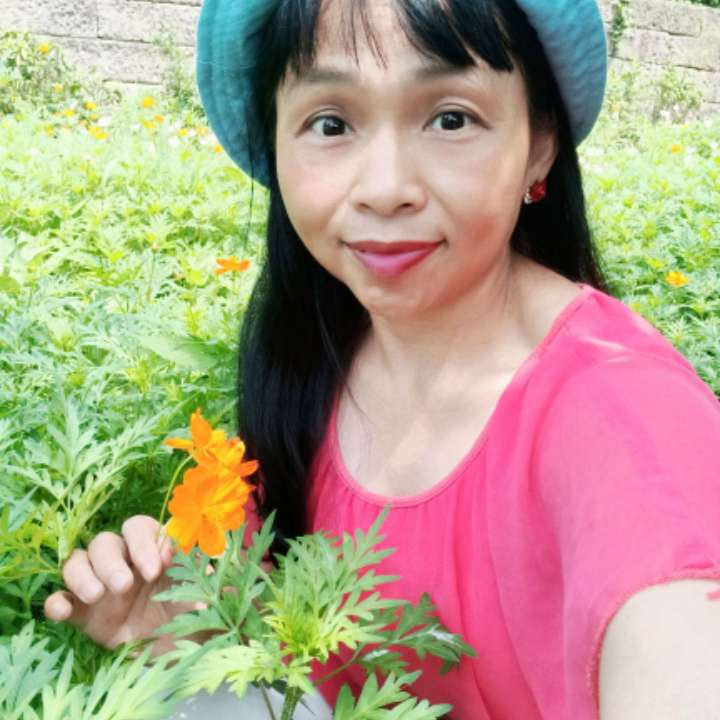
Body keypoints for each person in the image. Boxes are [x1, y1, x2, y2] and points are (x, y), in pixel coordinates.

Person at [44, 0, 720, 718]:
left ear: (540, 143)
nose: (385, 188)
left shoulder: (625, 412)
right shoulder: (311, 365)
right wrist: (197, 638)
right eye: (331, 124)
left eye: (451, 118)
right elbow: (294, 672)